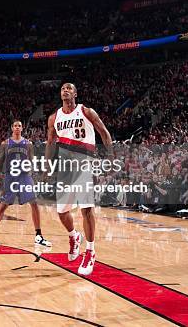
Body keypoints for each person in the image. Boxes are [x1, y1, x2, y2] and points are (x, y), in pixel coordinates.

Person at [45, 83, 113, 276]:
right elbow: (50, 143)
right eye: (62, 89)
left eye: (69, 88)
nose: (65, 90)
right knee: (62, 212)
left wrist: (111, 156)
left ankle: (90, 251)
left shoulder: (86, 111)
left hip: (84, 164)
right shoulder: (54, 118)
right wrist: (48, 165)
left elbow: (104, 133)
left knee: (86, 209)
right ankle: (74, 236)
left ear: (75, 93)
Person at [0, 121, 52, 248]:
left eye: (19, 126)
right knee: (3, 205)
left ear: (22, 128)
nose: (17, 127)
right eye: (15, 125)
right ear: (12, 128)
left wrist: (35, 175)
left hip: (24, 176)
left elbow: (31, 160)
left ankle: (38, 236)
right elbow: (0, 162)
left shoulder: (28, 144)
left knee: (34, 203)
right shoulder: (5, 143)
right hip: (10, 176)